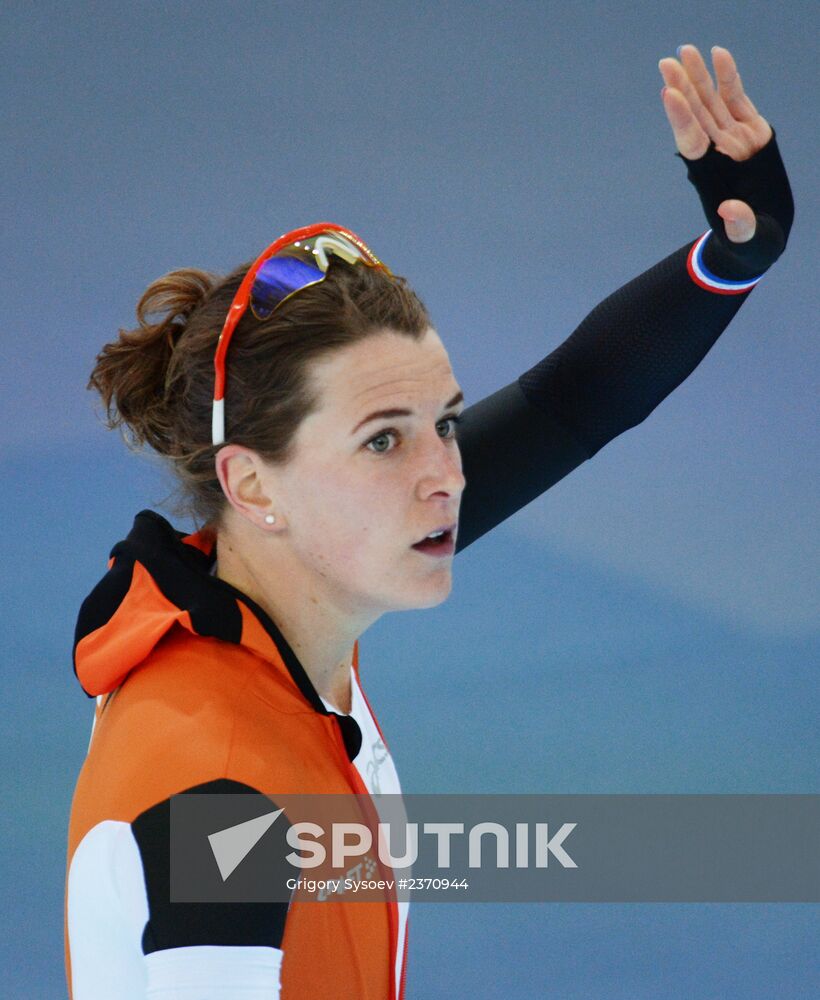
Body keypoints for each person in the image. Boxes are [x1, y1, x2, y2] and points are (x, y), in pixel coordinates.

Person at [65, 44, 793, 1000]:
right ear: (253, 484)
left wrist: (731, 260)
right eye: (381, 442)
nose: (445, 476)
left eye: (443, 421)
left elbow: (572, 405)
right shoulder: (219, 804)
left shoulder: (262, 602)